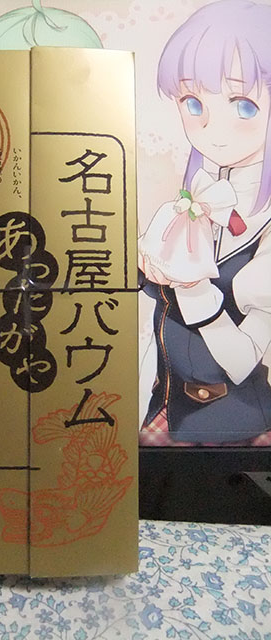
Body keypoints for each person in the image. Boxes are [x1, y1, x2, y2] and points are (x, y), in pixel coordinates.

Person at [139, 0, 271, 445]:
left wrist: (194, 290)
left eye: (244, 106)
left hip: (233, 426)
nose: (211, 127)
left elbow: (242, 361)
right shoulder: (194, 197)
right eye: (193, 102)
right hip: (164, 403)